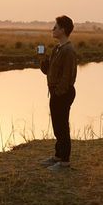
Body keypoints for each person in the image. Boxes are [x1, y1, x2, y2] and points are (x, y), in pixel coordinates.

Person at [38, 15, 77, 171]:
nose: (52, 29)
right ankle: (57, 156)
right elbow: (46, 71)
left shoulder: (69, 50)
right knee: (57, 126)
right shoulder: (57, 48)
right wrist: (42, 58)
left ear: (63, 30)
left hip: (63, 93)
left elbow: (69, 76)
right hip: (55, 92)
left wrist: (59, 92)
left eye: (55, 27)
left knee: (62, 126)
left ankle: (65, 161)